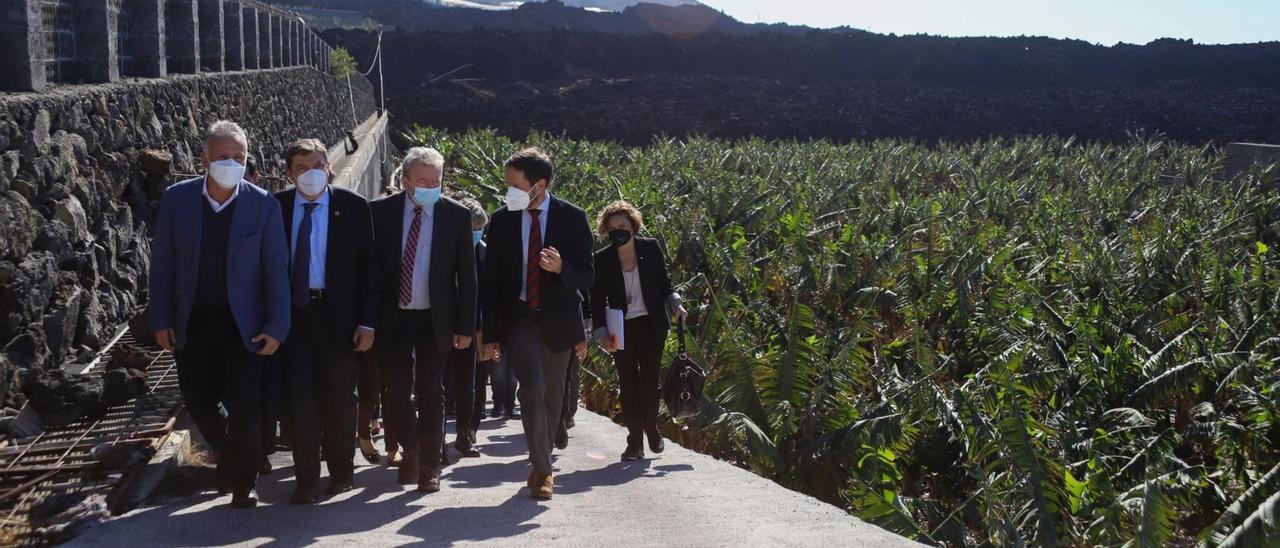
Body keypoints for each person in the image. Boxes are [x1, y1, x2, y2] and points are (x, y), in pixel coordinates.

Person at [149, 120, 290, 508]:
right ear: (204, 159)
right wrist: (160, 318)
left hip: (244, 326)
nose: (231, 163)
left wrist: (277, 326)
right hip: (194, 321)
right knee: (198, 399)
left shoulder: (263, 205)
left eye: (239, 157)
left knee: (246, 404)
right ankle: (231, 452)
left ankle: (243, 485)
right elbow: (162, 264)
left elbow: (276, 269)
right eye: (223, 157)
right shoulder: (178, 200)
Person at [480, 148, 594, 500]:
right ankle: (543, 470)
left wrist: (561, 270)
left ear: (539, 185)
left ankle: (540, 461)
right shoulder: (501, 221)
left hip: (558, 321)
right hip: (519, 318)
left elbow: (588, 276)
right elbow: (492, 281)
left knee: (553, 394)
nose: (508, 190)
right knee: (532, 385)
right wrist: (490, 332)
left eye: (515, 184)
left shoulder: (572, 218)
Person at [273, 138, 378, 503]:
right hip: (292, 318)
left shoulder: (352, 207)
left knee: (339, 399)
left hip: (340, 319)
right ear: (289, 173)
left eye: (317, 165)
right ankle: (305, 479)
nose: (311, 173)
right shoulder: (277, 207)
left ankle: (342, 473)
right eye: (302, 168)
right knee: (298, 400)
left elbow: (369, 269)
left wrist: (367, 322)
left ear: (329, 168)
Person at [371, 147, 477, 493]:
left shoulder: (455, 216)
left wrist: (465, 326)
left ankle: (430, 465)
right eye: (423, 180)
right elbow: (367, 270)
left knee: (431, 389)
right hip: (393, 317)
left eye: (437, 180)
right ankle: (412, 447)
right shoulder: (380, 213)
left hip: (436, 318)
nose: (432, 186)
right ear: (405, 181)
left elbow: (467, 275)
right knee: (395, 390)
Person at [590, 200, 687, 461]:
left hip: (652, 326)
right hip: (620, 329)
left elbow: (665, 285)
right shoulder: (602, 259)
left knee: (649, 383)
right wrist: (600, 333)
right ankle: (634, 441)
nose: (618, 231)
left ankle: (651, 429)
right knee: (628, 385)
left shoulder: (650, 248)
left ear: (633, 225)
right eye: (612, 228)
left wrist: (676, 303)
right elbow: (596, 299)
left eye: (623, 225)